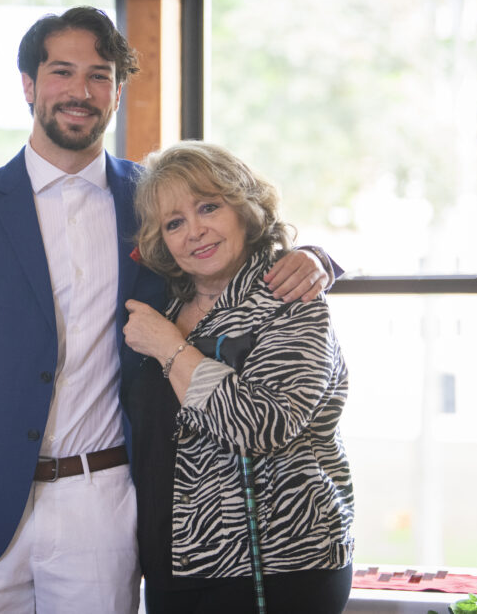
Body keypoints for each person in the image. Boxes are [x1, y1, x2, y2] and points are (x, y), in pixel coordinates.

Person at [0, 6, 333, 613]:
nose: (80, 91)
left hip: (103, 503)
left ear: (117, 93)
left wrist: (320, 257)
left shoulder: (156, 203)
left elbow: (241, 241)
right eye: (62, 72)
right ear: (28, 85)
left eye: (99, 76)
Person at [121, 140, 354, 614]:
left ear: (245, 209)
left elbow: (260, 424)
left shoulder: (291, 297)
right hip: (175, 561)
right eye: (174, 222)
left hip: (282, 564)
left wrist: (169, 347)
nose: (195, 231)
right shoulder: (165, 302)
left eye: (209, 206)